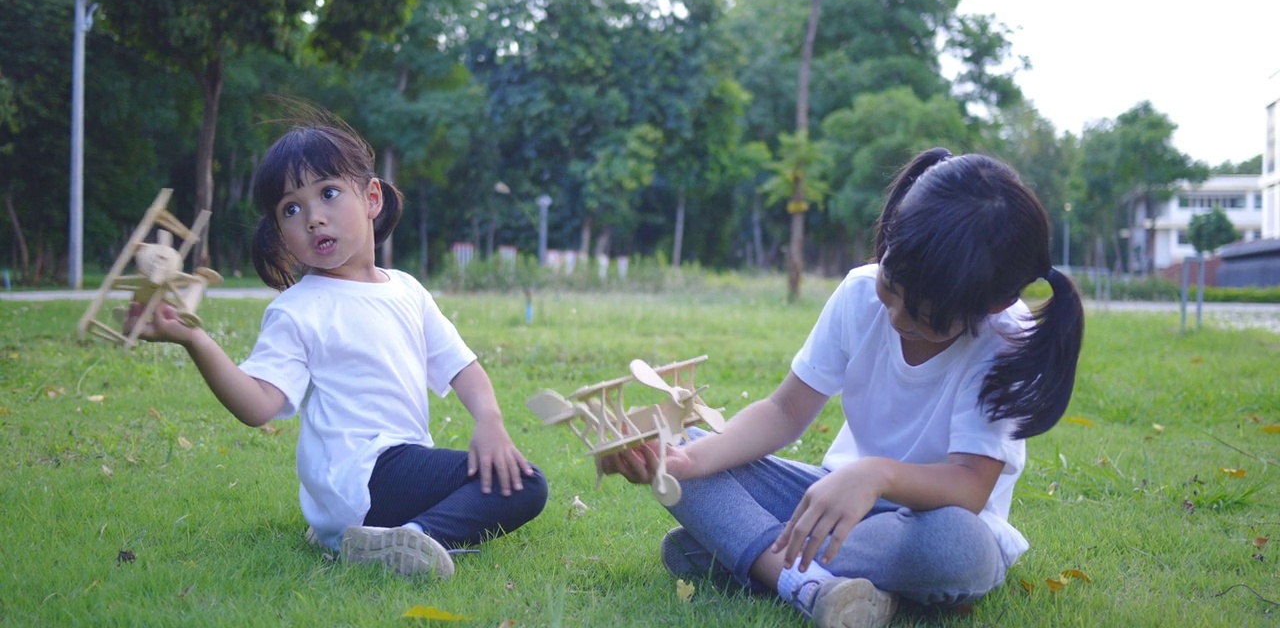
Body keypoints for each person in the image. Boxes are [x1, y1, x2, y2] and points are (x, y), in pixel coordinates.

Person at [600, 147, 1084, 628]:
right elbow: (785, 411)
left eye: (925, 318)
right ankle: (808, 583)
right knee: (685, 451)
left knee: (954, 547)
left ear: (994, 303)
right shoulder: (858, 293)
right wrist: (691, 461)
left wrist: (876, 476)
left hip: (932, 521)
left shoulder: (1004, 342)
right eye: (891, 287)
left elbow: (970, 487)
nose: (895, 318)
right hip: (833, 502)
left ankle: (750, 557)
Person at [125, 115, 548, 579]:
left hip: (390, 473)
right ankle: (415, 537)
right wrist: (194, 338)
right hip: (365, 472)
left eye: (328, 193)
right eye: (291, 208)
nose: (313, 217)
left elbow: (462, 367)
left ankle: (375, 533)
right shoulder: (299, 309)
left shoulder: (406, 290)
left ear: (371, 198)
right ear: (281, 231)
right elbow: (258, 404)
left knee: (499, 472)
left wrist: (490, 421)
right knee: (525, 483)